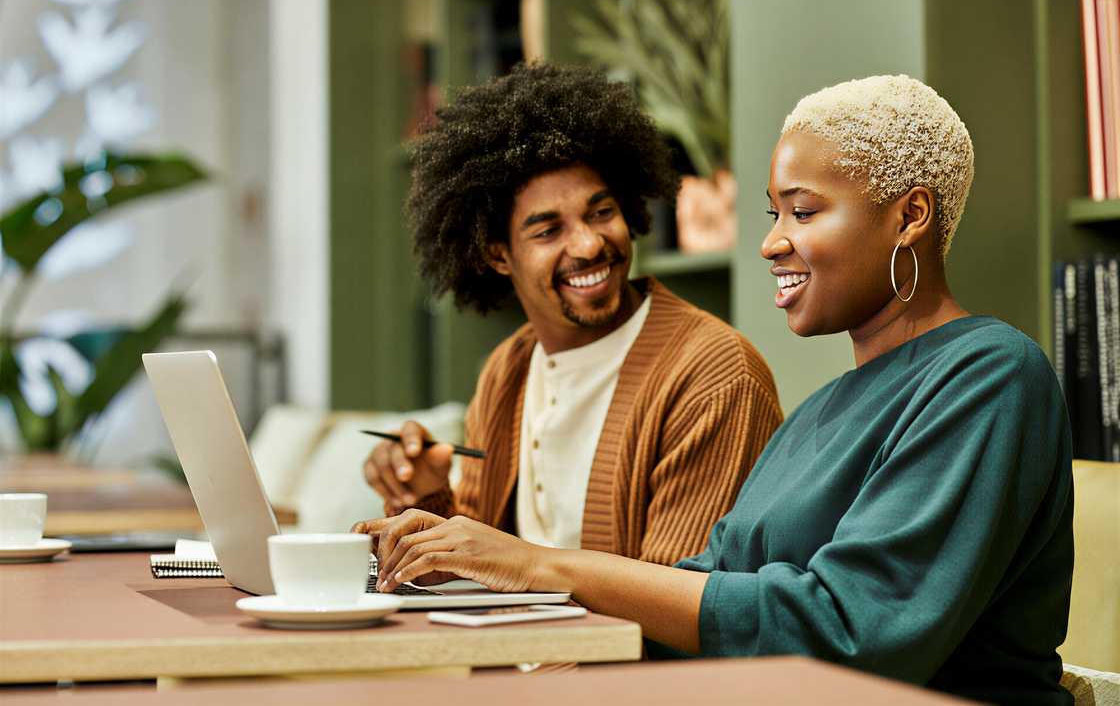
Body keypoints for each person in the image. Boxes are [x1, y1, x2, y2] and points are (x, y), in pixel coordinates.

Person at [357, 75, 1075, 705]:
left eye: (803, 211)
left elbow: (851, 631)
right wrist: (461, 551)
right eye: (774, 214)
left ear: (909, 217)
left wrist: (538, 564)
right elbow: (699, 591)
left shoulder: (991, 375)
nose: (770, 242)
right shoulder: (821, 413)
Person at [359, 63, 782, 569]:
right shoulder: (508, 371)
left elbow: (682, 605)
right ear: (498, 255)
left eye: (601, 212)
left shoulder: (713, 375)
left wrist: (522, 574)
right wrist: (425, 497)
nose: (588, 244)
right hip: (514, 649)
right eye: (547, 231)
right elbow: (476, 567)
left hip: (609, 652)